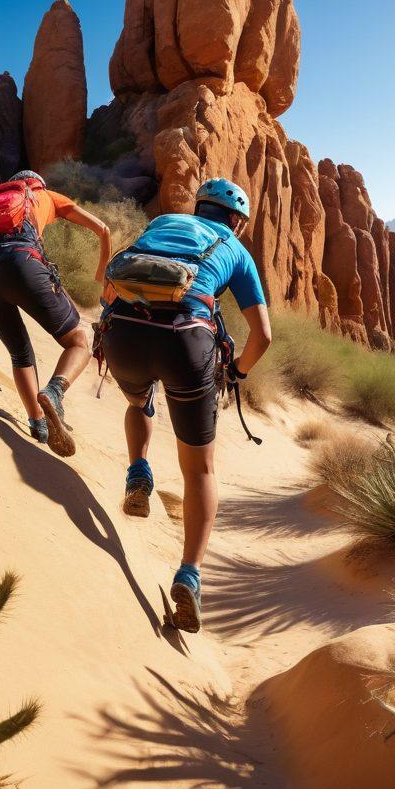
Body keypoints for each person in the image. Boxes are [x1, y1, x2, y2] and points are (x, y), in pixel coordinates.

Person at [98, 178, 272, 633]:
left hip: (123, 333)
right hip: (185, 340)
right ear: (236, 219)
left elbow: (112, 283)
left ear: (198, 208)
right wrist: (237, 371)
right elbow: (262, 336)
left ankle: (138, 471)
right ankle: (189, 576)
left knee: (139, 400)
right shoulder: (234, 247)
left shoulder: (162, 222)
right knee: (200, 469)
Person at [0, 170, 112, 457]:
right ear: (37, 184)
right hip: (23, 265)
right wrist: (102, 278)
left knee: (20, 353)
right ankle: (55, 391)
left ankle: (38, 423)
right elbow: (102, 228)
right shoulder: (46, 196)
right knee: (77, 342)